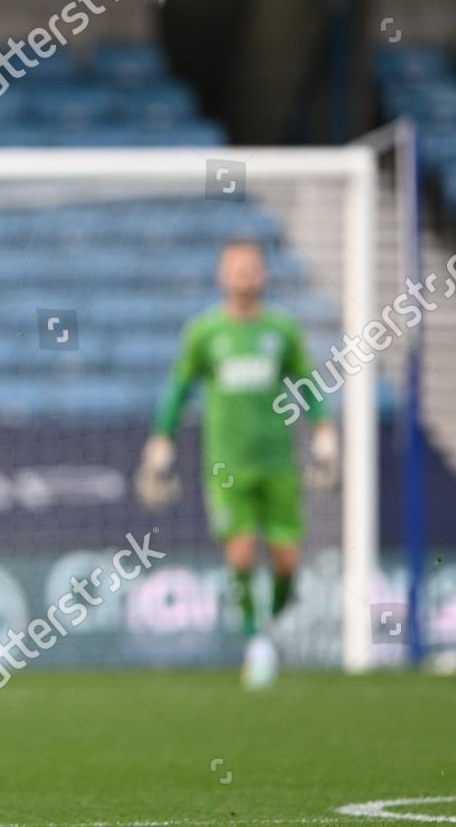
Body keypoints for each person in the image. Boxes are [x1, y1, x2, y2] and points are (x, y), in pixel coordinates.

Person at [136, 238, 338, 690]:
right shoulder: (205, 333)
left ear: (263, 275)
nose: (243, 274)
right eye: (235, 267)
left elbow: (307, 383)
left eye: (251, 267)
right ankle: (257, 643)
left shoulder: (281, 331)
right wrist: (161, 440)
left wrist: (324, 432)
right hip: (227, 465)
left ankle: (272, 616)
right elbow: (178, 388)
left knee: (287, 560)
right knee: (242, 550)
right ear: (222, 275)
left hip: (277, 463)